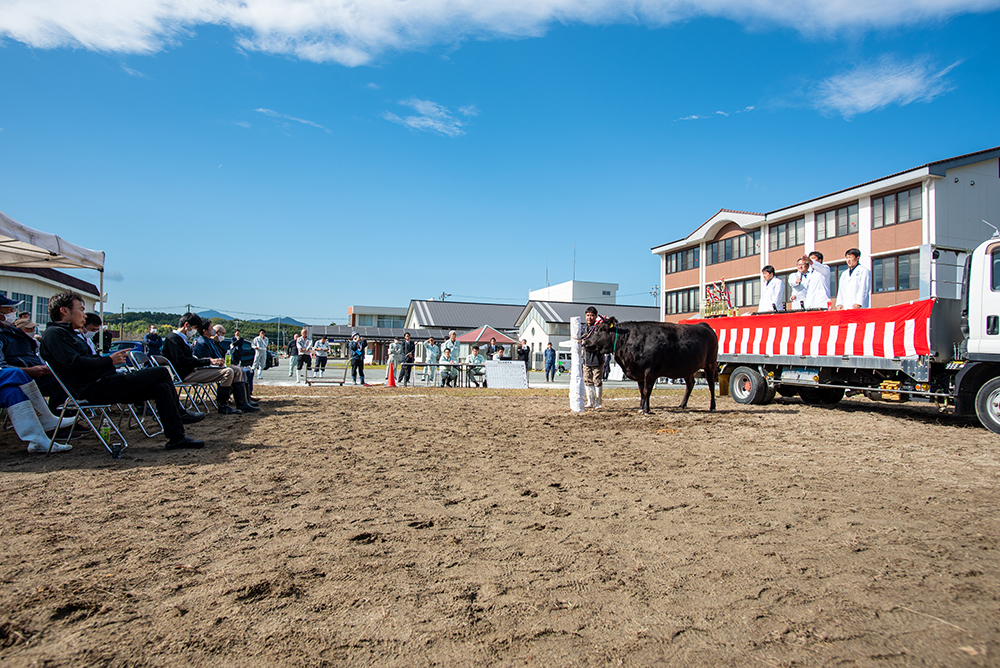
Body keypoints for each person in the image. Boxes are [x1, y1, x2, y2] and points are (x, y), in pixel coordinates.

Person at [39, 291, 204, 450]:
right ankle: (180, 413)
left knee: (161, 388)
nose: (85, 315)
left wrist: (109, 362)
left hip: (104, 382)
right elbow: (74, 363)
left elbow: (84, 361)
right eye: (81, 309)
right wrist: (109, 360)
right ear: (64, 311)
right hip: (93, 388)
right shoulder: (55, 334)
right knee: (160, 372)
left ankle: (177, 438)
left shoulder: (70, 334)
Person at [163, 313, 250, 415]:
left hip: (192, 370)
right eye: (195, 327)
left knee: (231, 371)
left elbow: (187, 359)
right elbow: (182, 361)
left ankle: (239, 403)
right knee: (228, 372)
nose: (194, 331)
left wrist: (207, 361)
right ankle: (223, 405)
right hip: (186, 374)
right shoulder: (173, 339)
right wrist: (208, 361)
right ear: (186, 325)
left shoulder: (180, 338)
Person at [0, 296, 66, 411]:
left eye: (13, 308)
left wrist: (43, 368)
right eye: (8, 309)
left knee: (65, 377)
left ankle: (61, 419)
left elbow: (32, 354)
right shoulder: (4, 334)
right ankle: (55, 420)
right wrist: (30, 371)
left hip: (32, 373)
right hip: (17, 377)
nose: (13, 311)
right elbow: (2, 368)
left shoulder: (13, 331)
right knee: (61, 383)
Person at [195, 322, 259, 411]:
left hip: (216, 366)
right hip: (208, 369)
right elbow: (206, 359)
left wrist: (224, 363)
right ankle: (223, 404)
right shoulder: (202, 343)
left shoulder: (209, 341)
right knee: (231, 371)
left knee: (237, 370)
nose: (213, 330)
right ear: (204, 331)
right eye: (211, 328)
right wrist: (219, 363)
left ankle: (242, 403)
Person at [582, 306, 604, 409]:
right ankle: (590, 401)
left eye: (592, 315)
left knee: (597, 380)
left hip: (597, 359)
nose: (589, 317)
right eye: (588, 315)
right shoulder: (582, 328)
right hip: (586, 359)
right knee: (587, 380)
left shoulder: (598, 328)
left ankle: (598, 402)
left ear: (595, 316)